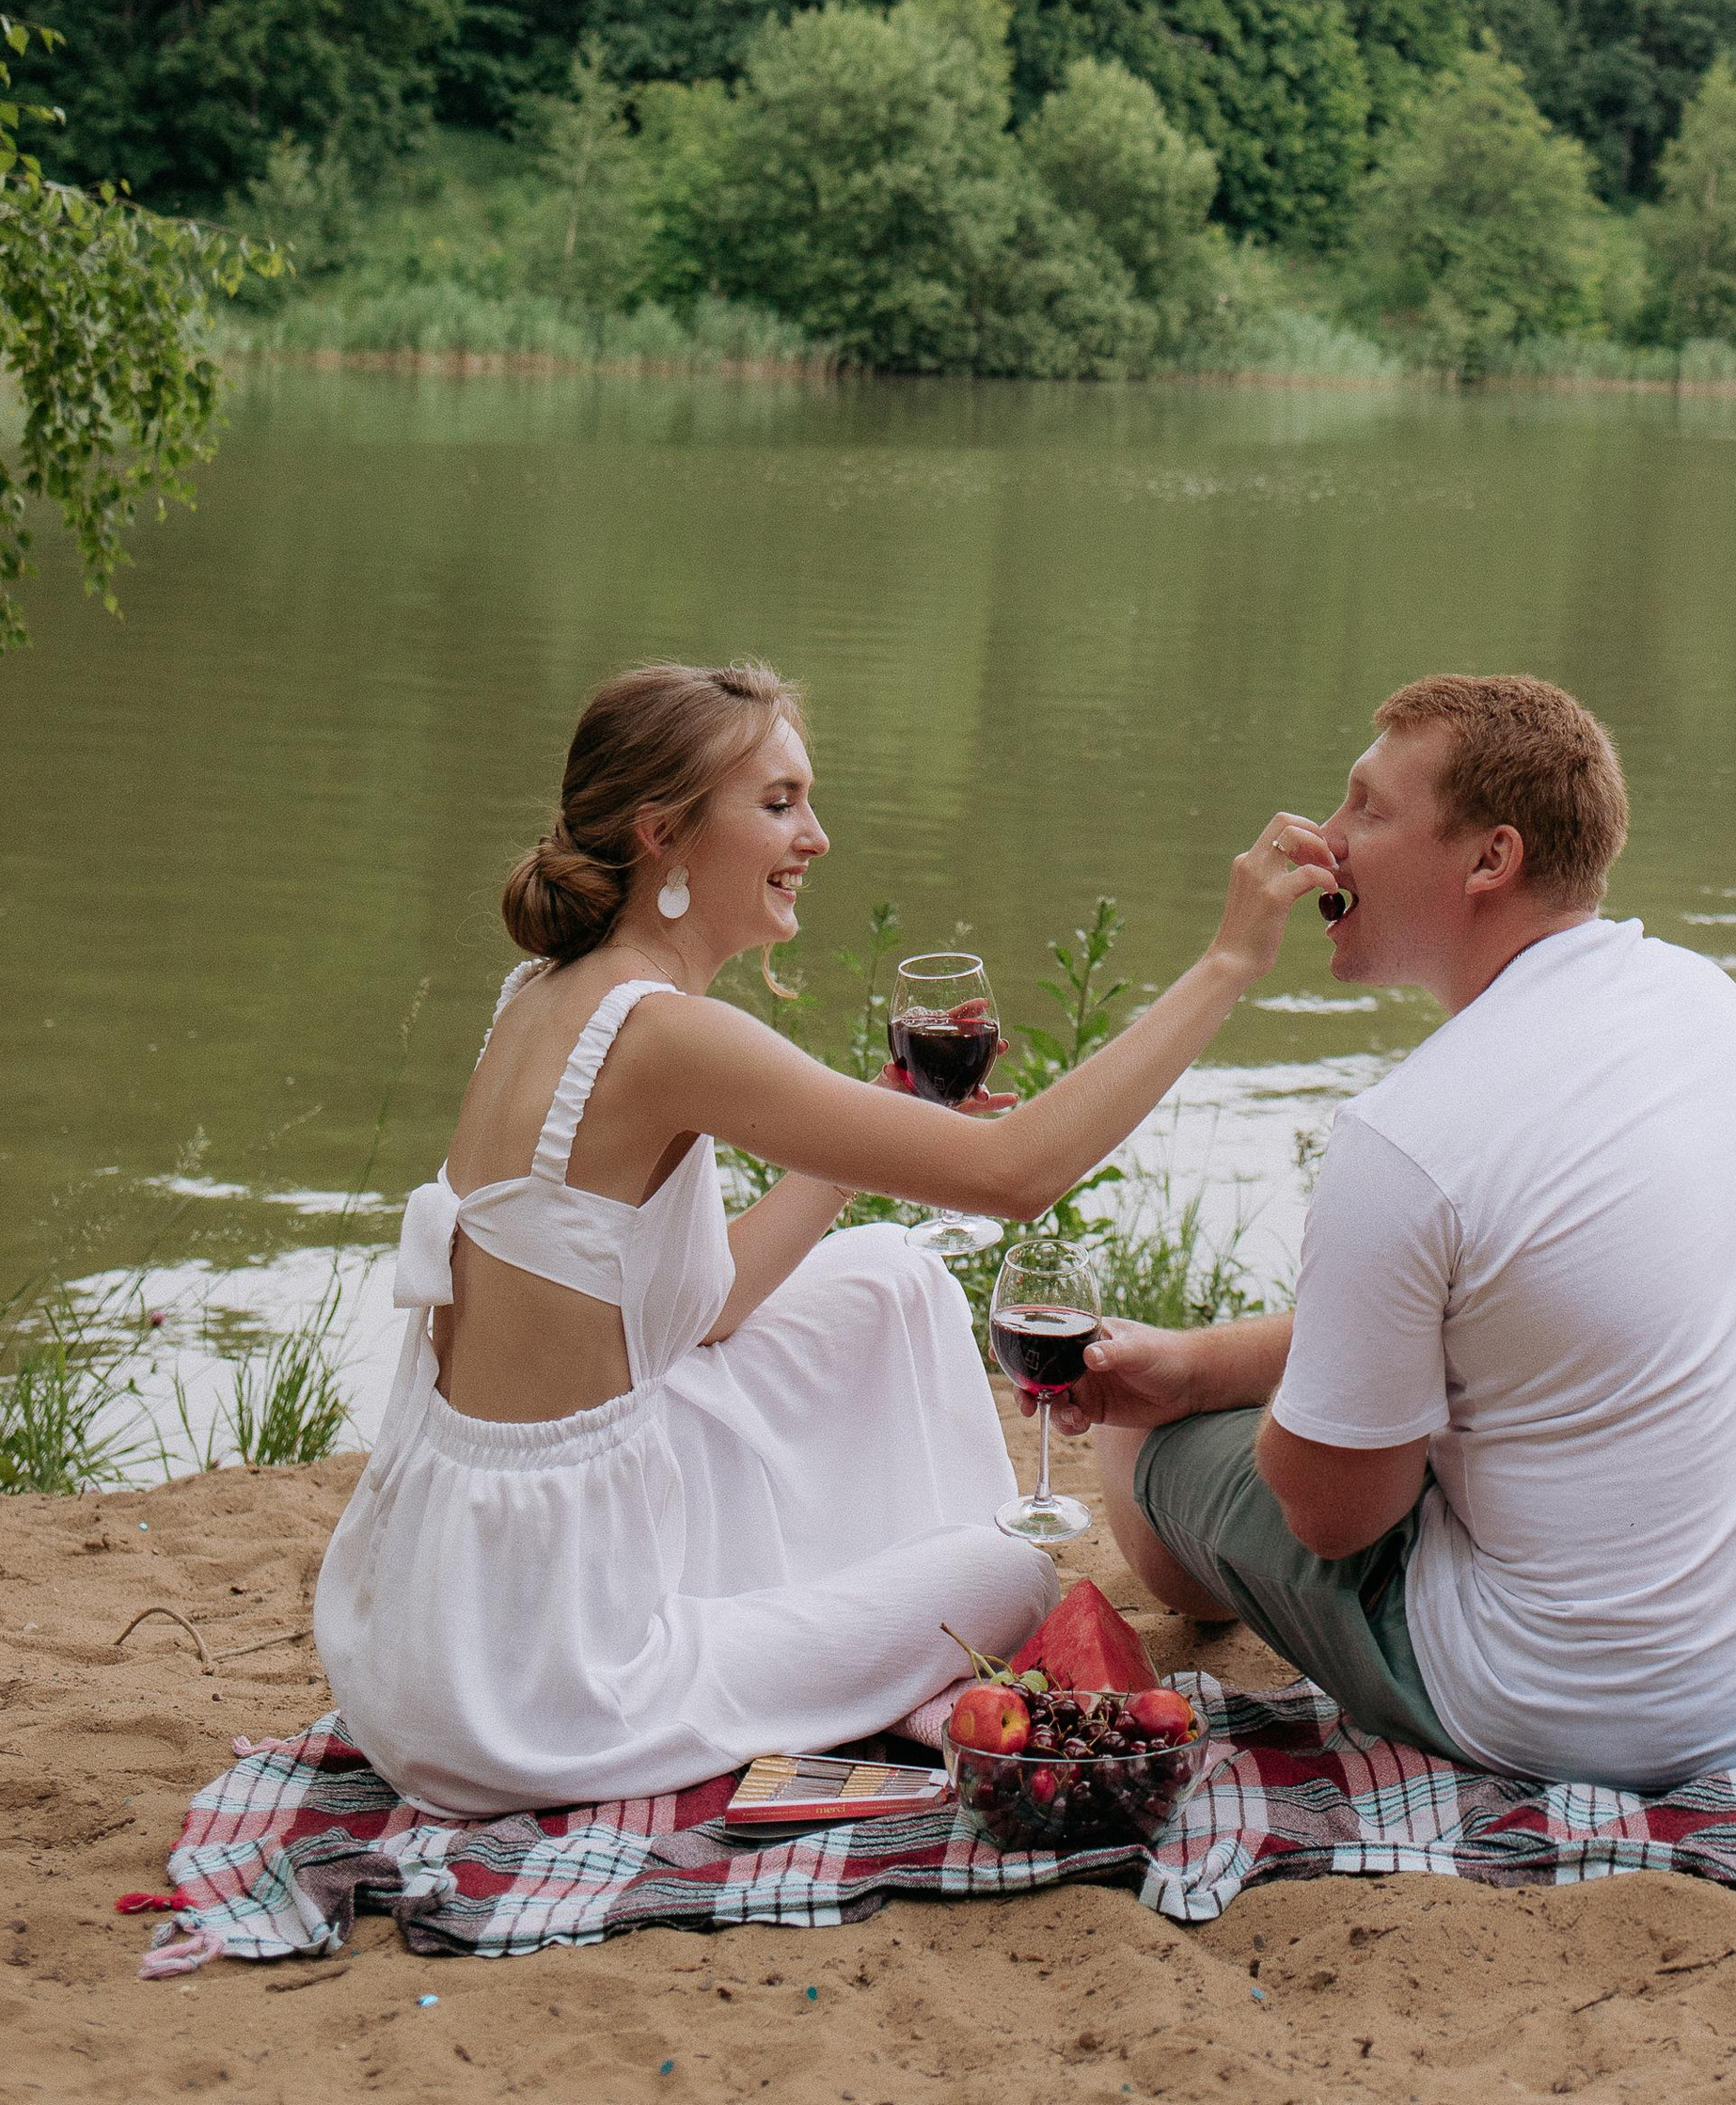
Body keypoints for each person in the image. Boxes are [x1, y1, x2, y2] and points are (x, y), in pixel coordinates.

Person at [315, 658, 1322, 1815]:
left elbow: (710, 1305)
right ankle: (912, 1648)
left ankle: (873, 1632)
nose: (818, 837)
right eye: (780, 803)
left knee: (889, 1275)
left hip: (434, 1618)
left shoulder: (549, 993)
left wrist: (875, 1120)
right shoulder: (666, 1035)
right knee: (1004, 1574)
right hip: (534, 1678)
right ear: (666, 835)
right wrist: (1229, 961)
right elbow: (1018, 1172)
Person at [1055, 673, 1736, 1794]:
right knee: (1224, 1388)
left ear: (1488, 859)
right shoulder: (1709, 1008)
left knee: (1152, 1439)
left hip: (1579, 1714)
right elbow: (1511, 1316)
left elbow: (1333, 1514)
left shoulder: (1405, 1139)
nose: (1324, 840)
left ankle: (1179, 1533)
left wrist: (1196, 1401)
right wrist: (1210, 1360)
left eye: (1366, 808)